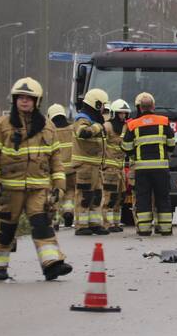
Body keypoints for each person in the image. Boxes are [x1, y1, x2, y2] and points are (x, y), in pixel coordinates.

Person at [0, 77, 72, 281]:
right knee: (6, 228)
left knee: (42, 224)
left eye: (28, 98)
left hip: (38, 187)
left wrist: (59, 185)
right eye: (20, 98)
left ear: (37, 101)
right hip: (9, 188)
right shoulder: (1, 125)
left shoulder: (47, 127)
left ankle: (52, 264)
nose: (24, 101)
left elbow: (56, 159)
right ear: (14, 100)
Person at [122, 92, 175, 236]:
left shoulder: (132, 124)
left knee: (143, 198)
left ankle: (144, 229)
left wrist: (134, 155)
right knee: (162, 197)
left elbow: (126, 147)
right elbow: (171, 143)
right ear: (153, 106)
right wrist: (166, 154)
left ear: (140, 108)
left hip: (142, 169)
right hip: (161, 168)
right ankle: (165, 229)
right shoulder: (163, 121)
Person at [72, 88, 110, 235]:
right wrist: (97, 127)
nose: (104, 110)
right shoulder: (82, 119)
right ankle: (81, 225)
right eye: (103, 106)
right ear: (97, 104)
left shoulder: (94, 120)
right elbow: (82, 132)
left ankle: (94, 223)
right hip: (85, 166)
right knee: (84, 195)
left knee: (97, 195)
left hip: (95, 165)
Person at [102, 99, 130, 233]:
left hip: (121, 168)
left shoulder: (126, 127)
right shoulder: (107, 127)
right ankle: (106, 223)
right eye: (120, 113)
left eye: (125, 113)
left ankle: (116, 223)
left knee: (120, 196)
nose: (123, 116)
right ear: (114, 113)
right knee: (109, 196)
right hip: (109, 168)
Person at [46, 103, 75, 228]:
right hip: (73, 170)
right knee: (70, 192)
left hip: (57, 171)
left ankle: (55, 219)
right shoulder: (72, 129)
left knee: (56, 193)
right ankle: (68, 211)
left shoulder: (51, 132)